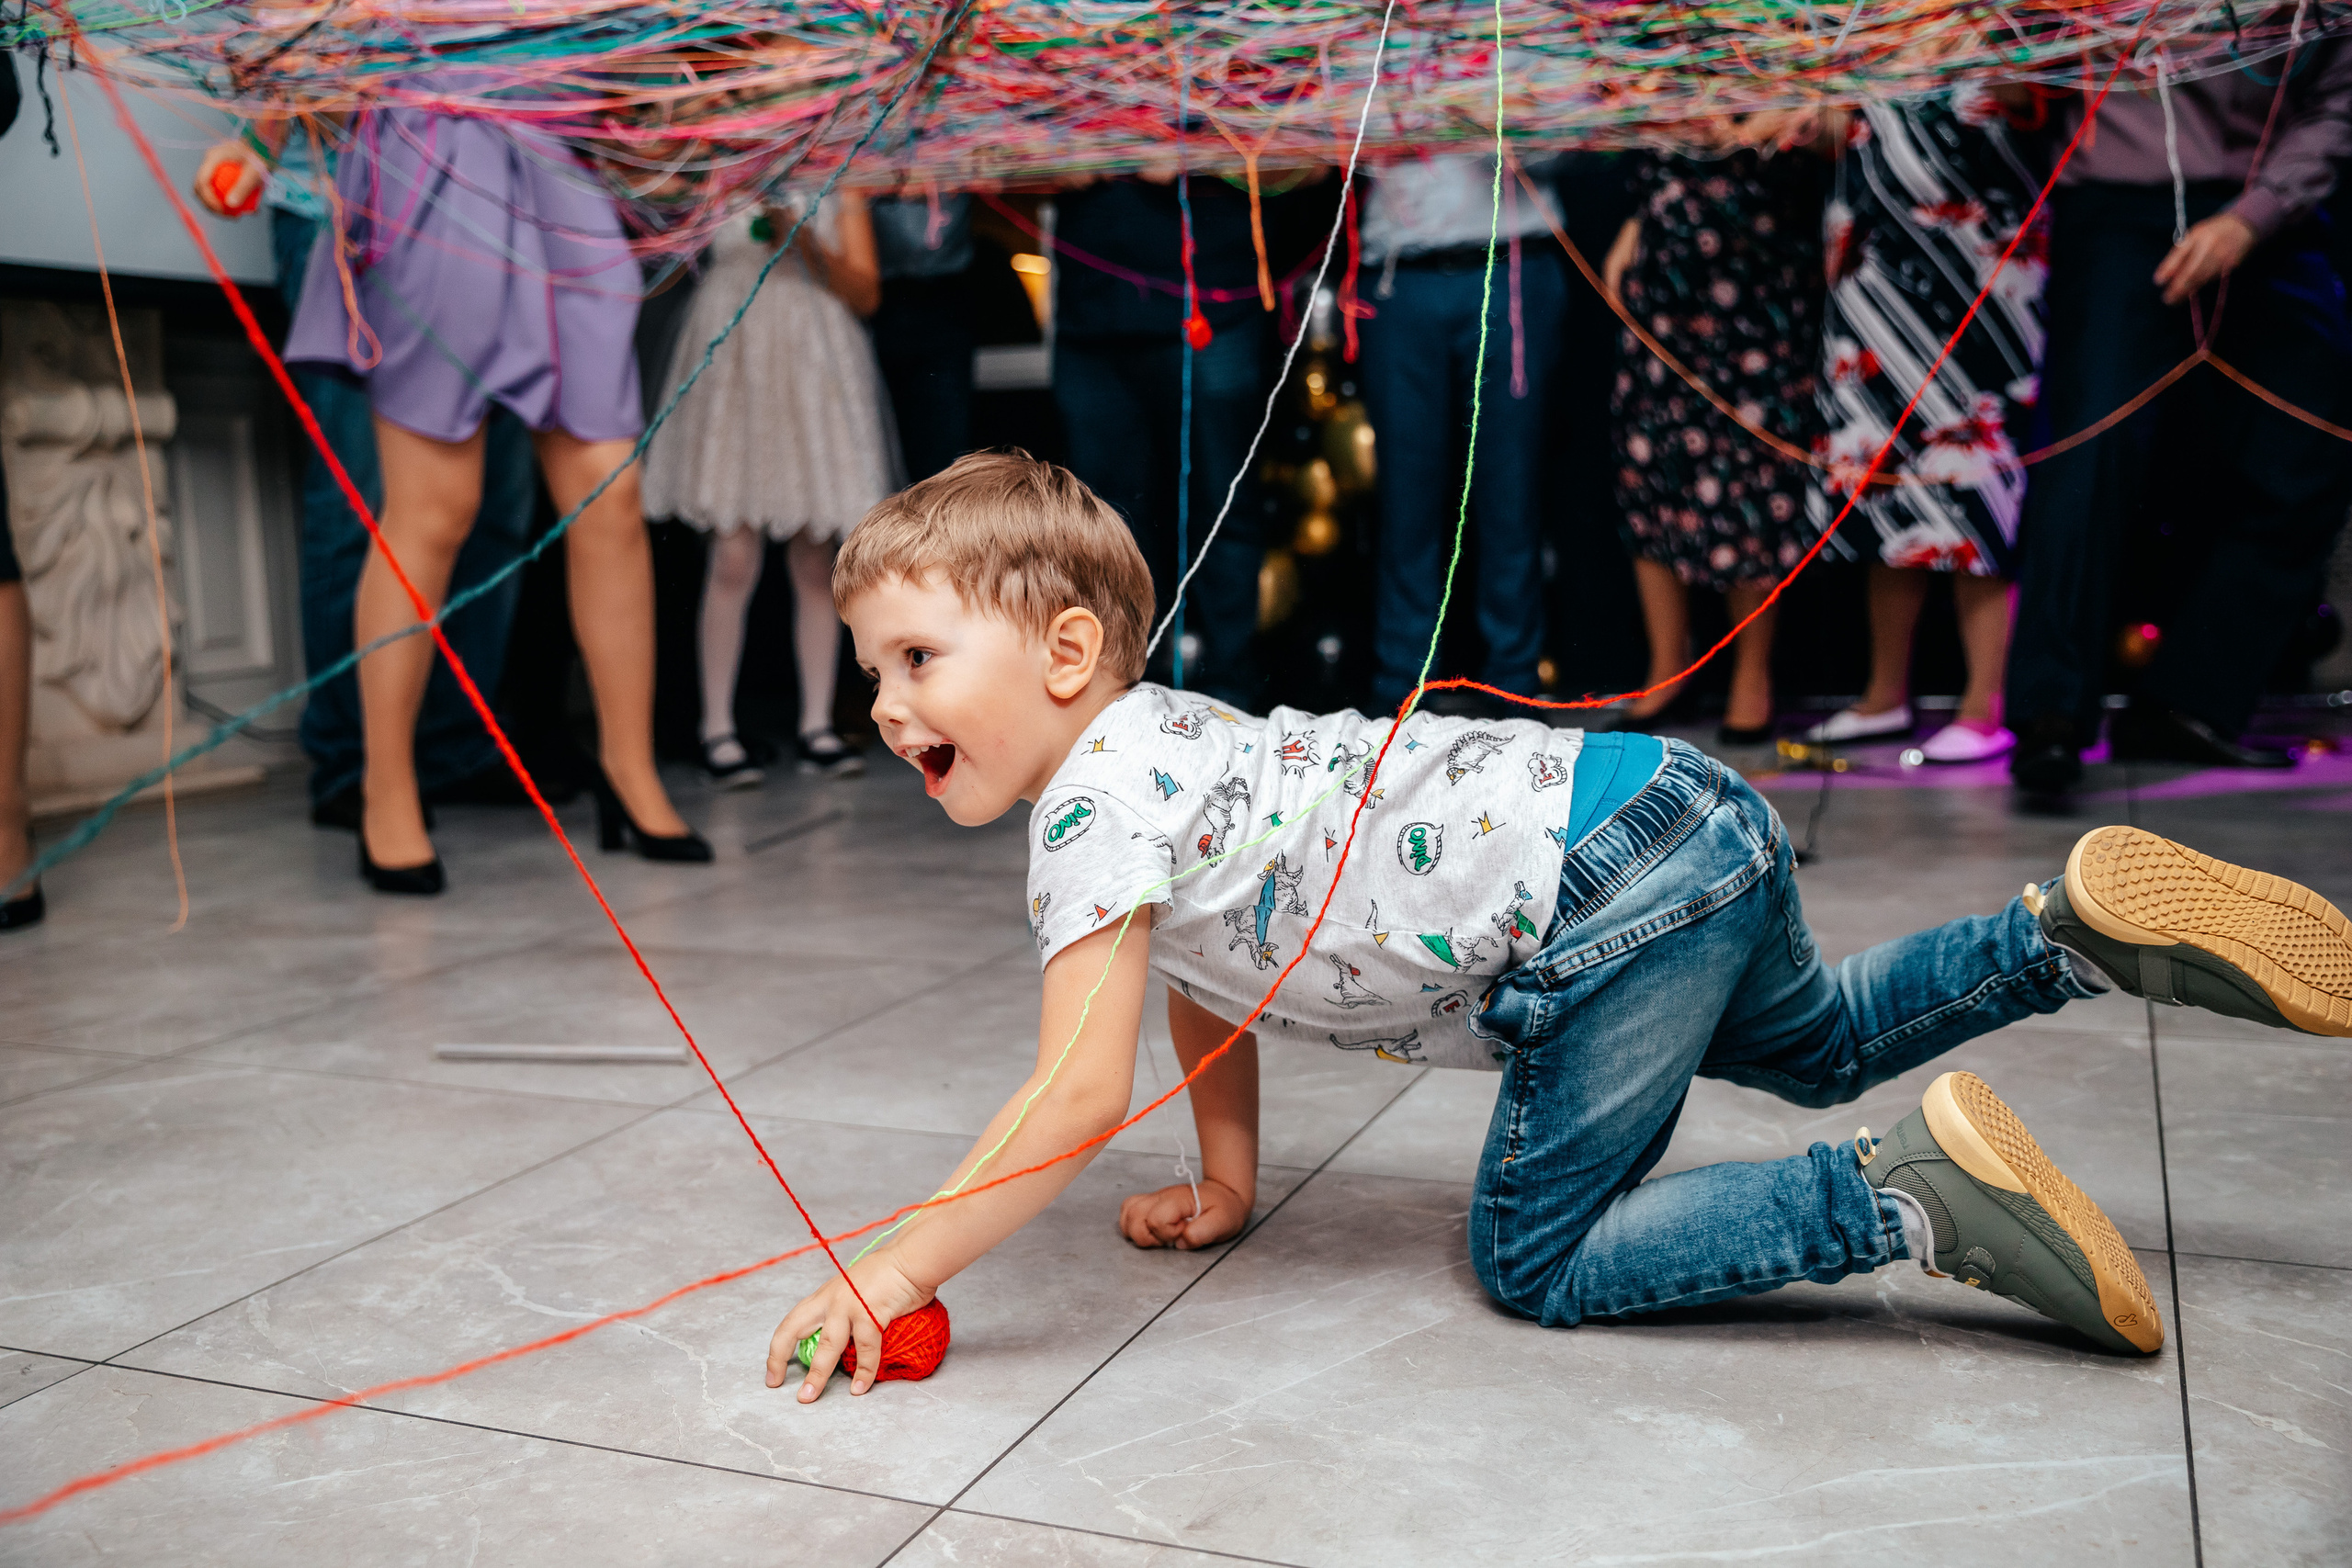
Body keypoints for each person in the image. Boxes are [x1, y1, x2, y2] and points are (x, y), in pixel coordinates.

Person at [763, 450, 2351, 1398]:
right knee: (1822, 1041)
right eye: (871, 669)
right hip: (1674, 808)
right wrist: (1228, 1178)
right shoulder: (1171, 734)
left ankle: (1903, 1199)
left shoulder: (1090, 807)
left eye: (913, 657)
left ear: (1062, 651)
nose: (885, 705)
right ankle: (2069, 934)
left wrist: (887, 1272)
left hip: (1588, 901)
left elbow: (1070, 1096)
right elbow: (1207, 966)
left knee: (1539, 1253)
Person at [273, 69, 706, 892]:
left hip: (561, 158)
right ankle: (385, 788)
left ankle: (630, 769)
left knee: (609, 493)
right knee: (435, 505)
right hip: (432, 148)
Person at [2007, 40, 2352, 793]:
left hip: (2273, 210)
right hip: (2119, 208)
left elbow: (2337, 101)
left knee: (2316, 447)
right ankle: (2050, 717)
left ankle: (2190, 702)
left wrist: (2254, 216)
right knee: (2090, 453)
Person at [198, 119, 537, 829]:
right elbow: (293, 62)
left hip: (481, 224)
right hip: (339, 219)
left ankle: (454, 747)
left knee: (495, 500)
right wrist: (258, 146)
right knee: (359, 497)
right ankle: (354, 761)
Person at [1801, 89, 2047, 763]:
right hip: (1872, 284)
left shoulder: (1998, 30)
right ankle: (1884, 696)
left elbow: (2032, 120)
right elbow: (1837, 142)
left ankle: (1985, 708)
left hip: (1977, 283)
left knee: (1976, 491)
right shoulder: (1864, 34)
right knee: (1885, 489)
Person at [641, 191, 891, 785]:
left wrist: (800, 237)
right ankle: (717, 728)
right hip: (734, 359)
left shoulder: (841, 175)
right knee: (732, 553)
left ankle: (816, 724)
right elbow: (661, 271)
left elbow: (866, 293)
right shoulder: (718, 168)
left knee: (815, 558)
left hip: (812, 363)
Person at [1605, 131, 1827, 743]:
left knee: (1751, 496)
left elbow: (1824, 152)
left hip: (1754, 311)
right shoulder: (1667, 56)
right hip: (1663, 309)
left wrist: (1754, 121)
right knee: (1650, 479)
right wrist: (1635, 224)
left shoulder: (1789, 64)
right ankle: (1665, 666)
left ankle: (1752, 676)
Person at [1050, 174, 1272, 709]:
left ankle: (1231, 699)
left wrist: (1183, 152)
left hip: (1214, 304)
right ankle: (1117, 700)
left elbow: (1297, 156)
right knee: (1102, 528)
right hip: (1094, 314)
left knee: (1224, 511)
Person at [1357, 152, 1568, 712]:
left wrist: (1491, 112)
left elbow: (1568, 137)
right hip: (1398, 275)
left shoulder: (1529, 58)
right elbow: (1336, 140)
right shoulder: (1364, 59)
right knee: (1406, 496)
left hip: (1512, 266)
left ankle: (1515, 688)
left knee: (1512, 489)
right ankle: (1402, 692)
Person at [869, 190, 977, 484]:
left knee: (944, 451)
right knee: (878, 442)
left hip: (945, 295)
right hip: (877, 297)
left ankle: (938, 527)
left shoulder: (954, 145)